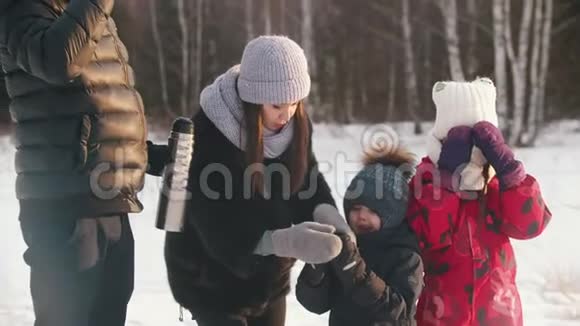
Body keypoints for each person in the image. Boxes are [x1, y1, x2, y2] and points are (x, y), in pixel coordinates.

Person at [161, 35, 353, 326]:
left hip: (267, 278)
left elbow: (305, 181)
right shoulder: (211, 134)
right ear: (253, 97)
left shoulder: (296, 125)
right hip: (210, 279)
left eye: (294, 103)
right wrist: (285, 242)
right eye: (277, 105)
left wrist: (330, 217)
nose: (287, 114)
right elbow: (215, 224)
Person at [0, 0, 148, 325]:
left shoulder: (85, 13)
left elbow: (98, 109)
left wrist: (145, 154)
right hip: (64, 206)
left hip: (109, 203)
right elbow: (57, 61)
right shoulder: (20, 8)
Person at [407, 78, 552, 326]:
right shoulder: (427, 179)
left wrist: (510, 171)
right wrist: (447, 180)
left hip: (499, 315)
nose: (472, 153)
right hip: (441, 316)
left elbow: (530, 225)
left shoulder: (498, 183)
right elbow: (429, 237)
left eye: (480, 142)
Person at [296, 147, 424, 325]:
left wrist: (356, 270)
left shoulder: (406, 256)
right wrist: (317, 268)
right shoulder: (346, 245)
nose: (361, 216)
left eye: (373, 210)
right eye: (356, 208)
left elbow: (399, 313)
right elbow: (316, 304)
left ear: (392, 214)